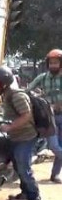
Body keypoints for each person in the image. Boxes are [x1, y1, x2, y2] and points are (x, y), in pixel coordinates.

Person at [0, 66, 41, 200]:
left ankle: (35, 197)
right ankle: (25, 193)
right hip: (16, 137)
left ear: (4, 82)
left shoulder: (17, 95)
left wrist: (9, 127)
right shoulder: (6, 95)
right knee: (17, 166)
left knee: (24, 167)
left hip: (26, 137)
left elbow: (26, 115)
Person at [27, 49, 62, 183]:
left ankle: (55, 175)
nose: (53, 65)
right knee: (54, 146)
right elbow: (27, 90)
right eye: (51, 63)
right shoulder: (42, 77)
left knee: (60, 145)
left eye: (56, 63)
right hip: (49, 117)